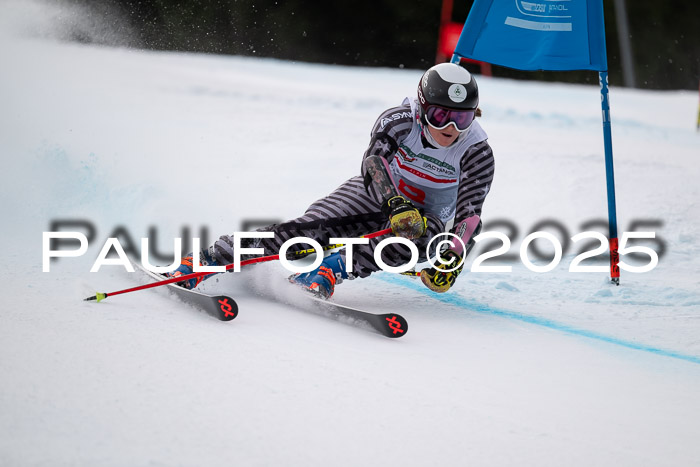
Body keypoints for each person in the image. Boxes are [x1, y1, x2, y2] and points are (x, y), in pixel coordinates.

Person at [170, 62, 495, 298]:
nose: (451, 127)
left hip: (428, 217)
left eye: (462, 117)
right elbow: (373, 165)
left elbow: (469, 215)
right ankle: (210, 259)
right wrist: (394, 203)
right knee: (309, 231)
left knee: (412, 241)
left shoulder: (476, 151)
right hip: (378, 193)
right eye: (441, 115)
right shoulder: (398, 120)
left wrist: (453, 257)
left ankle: (330, 268)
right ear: (423, 108)